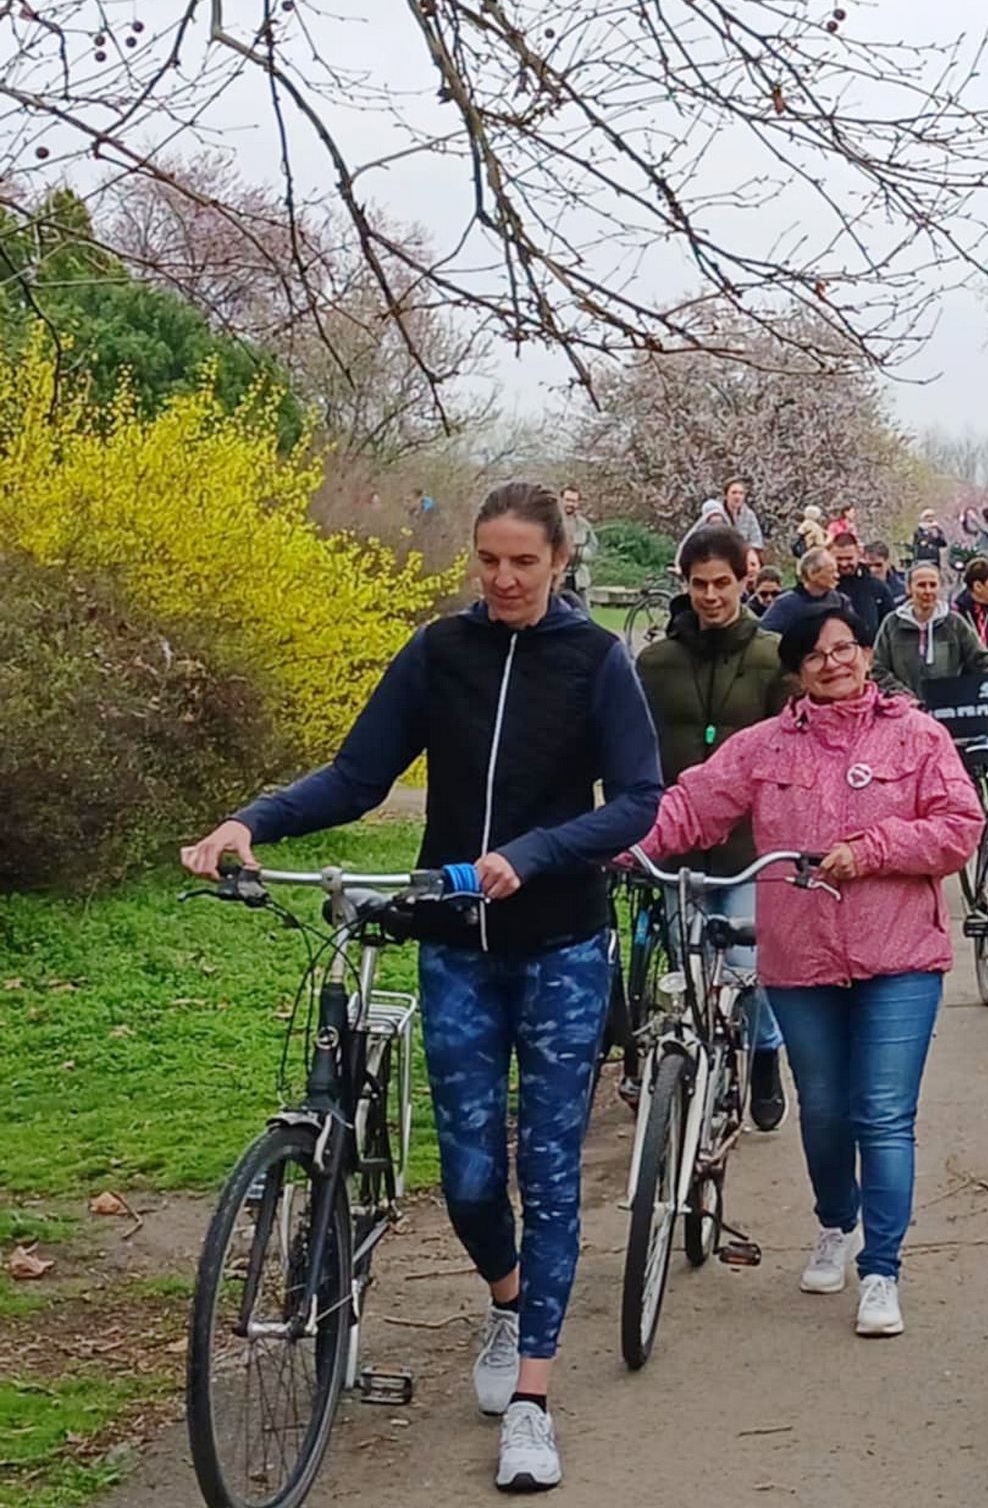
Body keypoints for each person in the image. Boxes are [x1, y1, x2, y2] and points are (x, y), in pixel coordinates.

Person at [180, 482, 662, 1492]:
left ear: (560, 560)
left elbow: (635, 803)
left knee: (552, 1169)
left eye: (523, 561)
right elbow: (358, 775)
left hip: (563, 945)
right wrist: (249, 822)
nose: (503, 578)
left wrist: (533, 851)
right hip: (456, 944)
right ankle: (507, 1292)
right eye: (488, 559)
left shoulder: (595, 660)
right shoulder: (440, 651)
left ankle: (532, 1398)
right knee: (475, 1174)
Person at [636, 598, 983, 1337]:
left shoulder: (917, 736)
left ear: (866, 653)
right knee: (823, 1109)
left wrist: (876, 848)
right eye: (817, 653)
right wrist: (616, 843)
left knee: (883, 1114)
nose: (835, 661)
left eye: (846, 647)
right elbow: (693, 808)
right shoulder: (765, 747)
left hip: (900, 956)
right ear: (796, 669)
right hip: (799, 956)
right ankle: (837, 1223)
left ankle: (882, 1270)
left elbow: (959, 827)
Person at [634, 527, 791, 1129]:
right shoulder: (655, 663)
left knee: (749, 970)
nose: (710, 596)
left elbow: (790, 748)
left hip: (751, 844)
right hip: (678, 846)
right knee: (691, 964)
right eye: (698, 584)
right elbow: (636, 749)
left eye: (722, 583)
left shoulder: (774, 656)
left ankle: (765, 1054)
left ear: (744, 581)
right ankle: (695, 1070)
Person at [871, 559, 988, 703]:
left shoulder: (953, 623)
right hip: (904, 712)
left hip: (947, 709)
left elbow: (982, 658)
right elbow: (878, 669)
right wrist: (903, 696)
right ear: (909, 588)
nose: (927, 591)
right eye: (921, 585)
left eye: (933, 585)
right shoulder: (892, 624)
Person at [558, 486, 597, 599]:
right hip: (556, 579)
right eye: (568, 500)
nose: (570, 504)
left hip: (578, 579)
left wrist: (577, 553)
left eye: (574, 501)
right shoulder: (550, 522)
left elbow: (592, 548)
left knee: (583, 614)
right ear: (561, 500)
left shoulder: (584, 525)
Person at [722, 477, 766, 549]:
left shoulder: (749, 515)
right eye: (734, 493)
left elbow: (757, 541)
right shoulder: (717, 513)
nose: (737, 496)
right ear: (726, 495)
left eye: (741, 493)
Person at [865, 540, 905, 607]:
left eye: (878, 565)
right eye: (868, 566)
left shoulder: (903, 589)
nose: (873, 570)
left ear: (887, 563)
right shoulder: (859, 589)